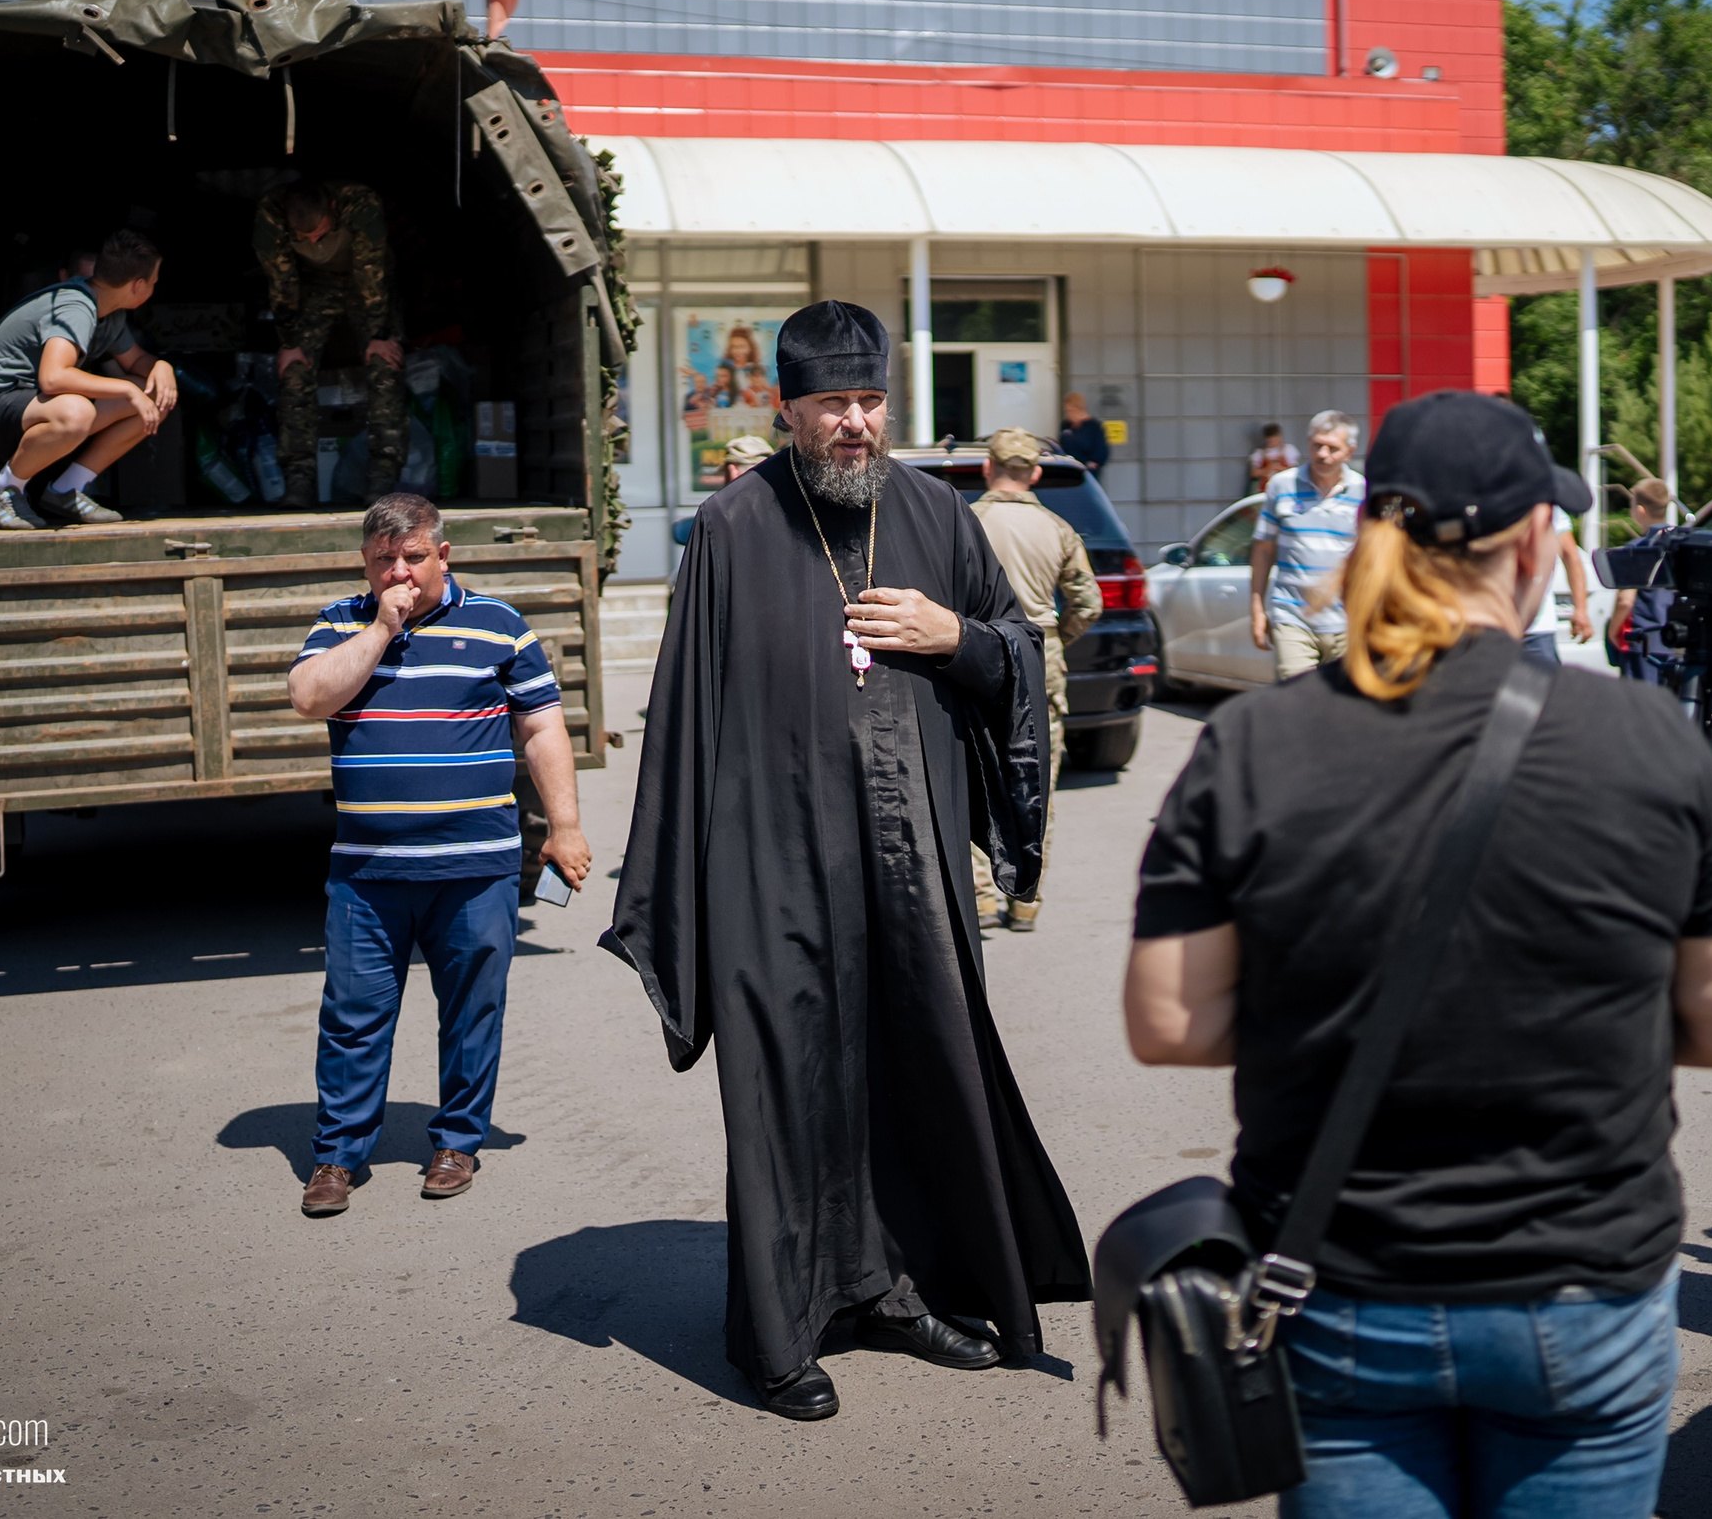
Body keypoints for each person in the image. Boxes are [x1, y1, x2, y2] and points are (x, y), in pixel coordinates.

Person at [1127, 391, 1712, 1519]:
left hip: (1338, 1287)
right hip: (1583, 1284)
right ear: (1536, 542)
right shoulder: (1643, 740)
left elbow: (1171, 1022)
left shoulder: (1254, 741)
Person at [605, 300, 1091, 1422]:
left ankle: (893, 1290)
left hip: (909, 859)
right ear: (789, 409)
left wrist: (953, 639)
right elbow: (684, 716)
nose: (858, 425)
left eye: (871, 402)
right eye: (834, 405)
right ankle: (777, 1338)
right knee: (785, 1089)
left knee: (912, 1069)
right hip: (771, 869)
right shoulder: (731, 526)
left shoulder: (935, 514)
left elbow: (1014, 655)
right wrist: (686, 890)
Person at [285, 493, 593, 1217]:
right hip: (367, 872)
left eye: (413, 557)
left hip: (476, 868)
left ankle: (457, 1141)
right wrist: (382, 629)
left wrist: (566, 826)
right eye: (382, 560)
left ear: (442, 554)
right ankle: (336, 1155)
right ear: (364, 563)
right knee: (354, 1015)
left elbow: (544, 730)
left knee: (472, 1009)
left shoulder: (500, 626)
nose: (398, 572)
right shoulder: (340, 622)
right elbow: (308, 695)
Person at [968, 426, 1103, 933]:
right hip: (1039, 659)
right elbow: (1088, 602)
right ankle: (1025, 899)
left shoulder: (969, 521)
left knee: (976, 771)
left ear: (988, 467)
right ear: (1037, 473)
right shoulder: (1060, 530)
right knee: (1035, 782)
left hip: (980, 654)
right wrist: (1055, 637)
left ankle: (981, 896)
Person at [0, 228, 179, 530]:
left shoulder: (110, 310)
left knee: (155, 395)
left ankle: (67, 490)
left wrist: (161, 368)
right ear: (138, 286)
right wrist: (129, 390)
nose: (155, 286)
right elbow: (54, 377)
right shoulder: (76, 305)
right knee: (77, 411)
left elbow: (138, 361)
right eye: (154, 282)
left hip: (37, 406)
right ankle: (3, 488)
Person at [255, 180, 405, 509]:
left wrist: (379, 334)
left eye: (321, 235)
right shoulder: (270, 214)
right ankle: (299, 477)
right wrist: (290, 342)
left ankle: (382, 476)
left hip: (366, 286)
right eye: (304, 239)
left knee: (386, 366)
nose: (314, 243)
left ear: (333, 210)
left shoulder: (360, 203)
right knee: (294, 369)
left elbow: (371, 271)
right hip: (314, 288)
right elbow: (282, 282)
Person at [1251, 410, 1364, 681]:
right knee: (1295, 706)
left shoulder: (1363, 491)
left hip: (1347, 624)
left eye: (1332, 448)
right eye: (1317, 445)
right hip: (1292, 619)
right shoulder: (1282, 486)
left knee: (1345, 712)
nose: (1323, 454)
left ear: (1349, 452)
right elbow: (1264, 549)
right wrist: (1257, 610)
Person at [1605, 479, 1677, 682]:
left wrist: (1612, 631)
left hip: (1641, 640)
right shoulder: (1680, 543)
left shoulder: (1637, 548)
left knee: (1638, 706)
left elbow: (1625, 600)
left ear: (1640, 510)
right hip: (1672, 638)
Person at [1520, 499, 1595, 665]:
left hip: (1536, 628)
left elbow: (1571, 556)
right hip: (1491, 626)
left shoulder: (1548, 509)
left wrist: (1581, 609)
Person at [1058, 391, 1111, 480]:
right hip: (1067, 471)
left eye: (1071, 411)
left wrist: (1092, 464)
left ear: (1080, 409)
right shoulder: (1066, 425)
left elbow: (1102, 451)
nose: (1069, 414)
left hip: (1087, 472)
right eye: (1067, 411)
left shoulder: (1094, 426)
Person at [1249, 421, 1298, 493]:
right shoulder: (1260, 453)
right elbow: (1254, 473)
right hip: (1265, 490)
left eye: (1274, 439)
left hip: (1285, 489)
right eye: (1269, 440)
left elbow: (1294, 470)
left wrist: (1279, 468)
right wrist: (1268, 469)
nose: (1271, 442)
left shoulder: (1288, 450)